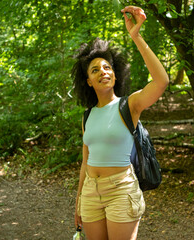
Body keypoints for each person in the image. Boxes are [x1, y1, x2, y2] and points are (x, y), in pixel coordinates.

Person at [72, 5, 169, 240]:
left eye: (107, 67)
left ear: (115, 75)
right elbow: (86, 161)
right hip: (90, 194)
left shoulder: (130, 105)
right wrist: (78, 200)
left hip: (121, 190)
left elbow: (161, 81)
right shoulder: (87, 116)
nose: (103, 71)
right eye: (95, 70)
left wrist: (136, 36)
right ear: (88, 81)